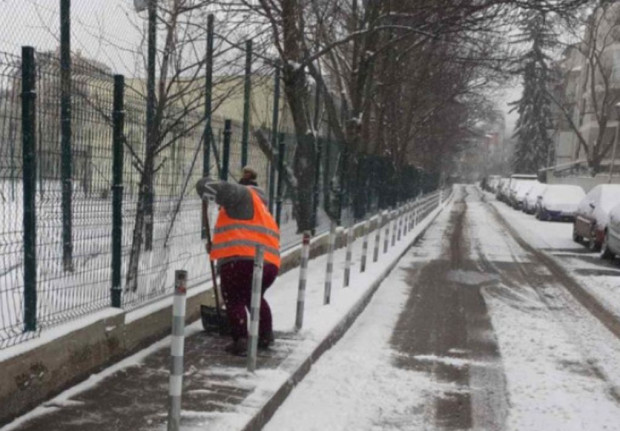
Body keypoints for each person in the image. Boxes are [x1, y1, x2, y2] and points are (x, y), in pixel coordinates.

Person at [196, 167, 279, 356]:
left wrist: (203, 184)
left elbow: (212, 188)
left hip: (242, 262)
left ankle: (240, 340)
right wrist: (216, 247)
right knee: (254, 297)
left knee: (234, 298)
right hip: (269, 264)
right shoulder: (261, 205)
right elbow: (244, 232)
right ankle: (265, 335)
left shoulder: (242, 194)